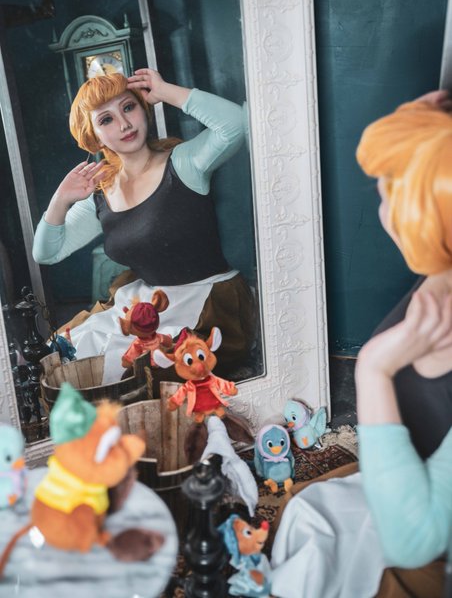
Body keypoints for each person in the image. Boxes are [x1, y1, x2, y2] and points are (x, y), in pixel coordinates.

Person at [270, 89, 452, 598]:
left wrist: (373, 369)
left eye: (393, 189)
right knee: (305, 513)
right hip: (411, 463)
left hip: (424, 535)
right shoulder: (442, 271)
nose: (384, 207)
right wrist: (428, 133)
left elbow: (413, 542)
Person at [32, 69, 255, 383]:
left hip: (208, 302)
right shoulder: (100, 194)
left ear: (144, 107)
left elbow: (237, 123)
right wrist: (60, 199)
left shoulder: (183, 163)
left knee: (136, 375)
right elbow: (45, 253)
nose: (124, 124)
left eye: (128, 107)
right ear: (93, 136)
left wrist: (166, 92)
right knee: (63, 354)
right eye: (106, 119)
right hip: (146, 303)